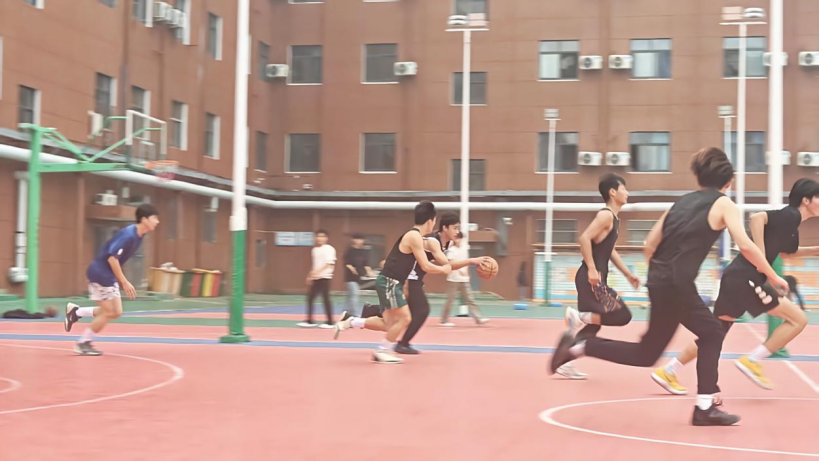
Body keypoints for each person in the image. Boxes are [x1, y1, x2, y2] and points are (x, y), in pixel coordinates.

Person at [549, 147, 788, 426]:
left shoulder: (679, 203)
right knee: (712, 333)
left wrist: (660, 276)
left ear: (699, 177)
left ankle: (580, 346)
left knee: (647, 353)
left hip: (659, 281)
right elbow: (745, 245)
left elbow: (649, 244)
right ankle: (705, 407)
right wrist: (773, 276)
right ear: (729, 181)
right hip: (677, 283)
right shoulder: (725, 204)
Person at [652, 178, 818, 395]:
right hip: (747, 277)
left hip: (737, 276)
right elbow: (757, 218)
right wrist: (761, 259)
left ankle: (669, 370)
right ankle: (753, 360)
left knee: (715, 332)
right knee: (798, 319)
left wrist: (815, 249)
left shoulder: (792, 225)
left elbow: (788, 252)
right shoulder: (791, 215)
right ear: (806, 200)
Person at [333, 201, 451, 363]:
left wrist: (445, 263)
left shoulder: (417, 237)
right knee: (405, 319)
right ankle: (381, 350)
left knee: (388, 324)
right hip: (390, 282)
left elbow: (433, 256)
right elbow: (425, 265)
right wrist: (444, 269)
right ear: (431, 220)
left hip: (391, 282)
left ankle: (351, 321)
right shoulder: (414, 236)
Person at [558, 174, 640, 380]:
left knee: (594, 325)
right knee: (623, 315)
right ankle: (578, 317)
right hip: (591, 279)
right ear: (613, 192)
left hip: (593, 279)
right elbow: (584, 238)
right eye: (624, 188)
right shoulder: (606, 215)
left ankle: (565, 363)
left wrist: (628, 273)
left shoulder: (613, 219)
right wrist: (592, 269)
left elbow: (609, 250)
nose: (627, 192)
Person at [64, 203, 160, 356]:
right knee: (109, 312)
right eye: (154, 218)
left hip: (107, 274)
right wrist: (124, 282)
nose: (157, 221)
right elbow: (112, 259)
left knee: (116, 312)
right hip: (101, 273)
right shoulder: (129, 235)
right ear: (144, 219)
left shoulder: (140, 235)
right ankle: (83, 343)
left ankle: (77, 312)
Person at [440, 231, 488, 327]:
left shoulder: (464, 248)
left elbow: (467, 262)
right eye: (456, 238)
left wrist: (468, 273)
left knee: (470, 299)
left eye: (459, 238)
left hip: (464, 279)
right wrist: (460, 270)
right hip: (453, 279)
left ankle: (478, 319)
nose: (458, 240)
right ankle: (444, 320)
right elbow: (452, 263)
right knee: (450, 300)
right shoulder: (451, 250)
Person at [298, 230, 336, 329]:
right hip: (316, 278)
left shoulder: (329, 249)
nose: (320, 238)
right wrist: (310, 275)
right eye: (318, 236)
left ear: (326, 238)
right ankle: (310, 320)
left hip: (325, 277)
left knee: (325, 299)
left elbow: (329, 263)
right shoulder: (314, 250)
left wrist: (317, 272)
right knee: (310, 298)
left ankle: (330, 322)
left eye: (323, 236)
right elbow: (314, 264)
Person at [343, 234, 373, 317]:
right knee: (354, 294)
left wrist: (370, 272)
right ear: (353, 240)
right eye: (358, 239)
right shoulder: (349, 251)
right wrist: (353, 270)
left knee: (350, 295)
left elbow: (366, 264)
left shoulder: (363, 251)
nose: (360, 241)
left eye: (361, 239)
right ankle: (353, 313)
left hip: (358, 277)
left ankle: (345, 311)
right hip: (350, 277)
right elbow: (347, 263)